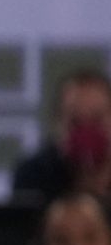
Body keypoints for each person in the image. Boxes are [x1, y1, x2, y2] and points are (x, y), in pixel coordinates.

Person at [11, 69, 111, 208]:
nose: (86, 131)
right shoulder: (33, 176)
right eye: (75, 122)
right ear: (57, 124)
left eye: (97, 119)